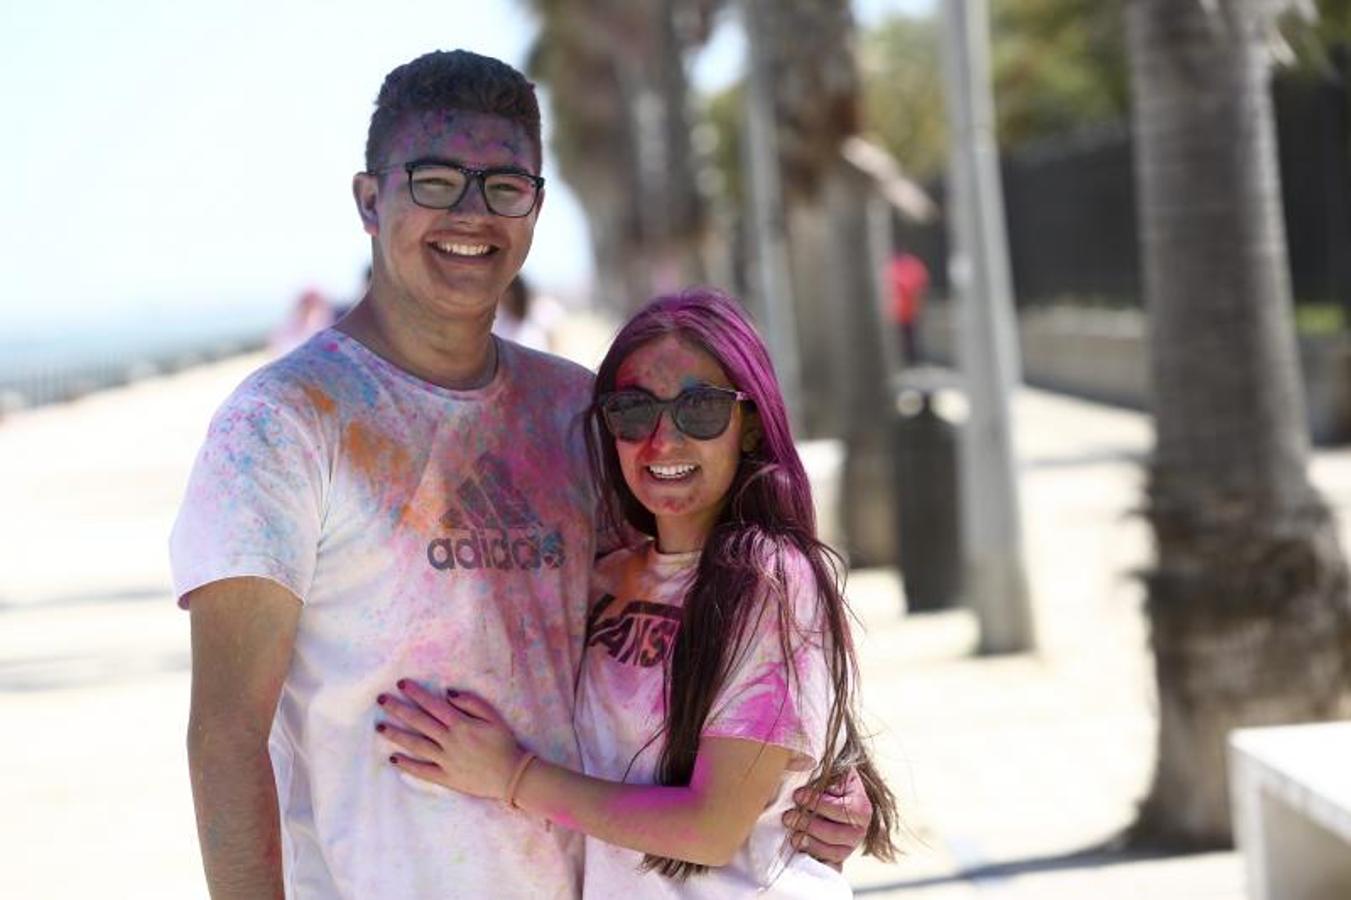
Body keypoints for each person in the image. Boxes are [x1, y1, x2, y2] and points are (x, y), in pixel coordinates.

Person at [171, 50, 867, 899]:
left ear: (535, 208)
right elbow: (225, 737)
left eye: (505, 186)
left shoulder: (576, 411)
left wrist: (812, 784)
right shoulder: (284, 424)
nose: (472, 213)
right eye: (433, 181)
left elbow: (696, 625)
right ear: (368, 201)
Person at [375, 289, 898, 897]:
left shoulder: (770, 582)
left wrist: (511, 775)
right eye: (633, 412)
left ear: (749, 425)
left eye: (699, 410)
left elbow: (710, 830)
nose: (663, 441)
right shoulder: (602, 579)